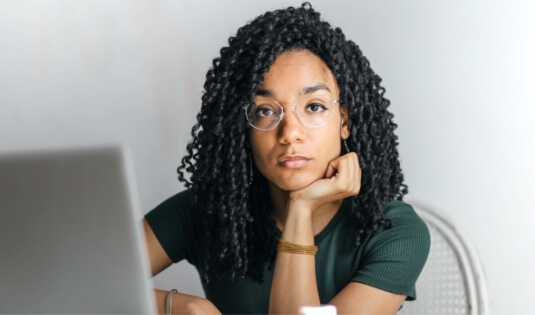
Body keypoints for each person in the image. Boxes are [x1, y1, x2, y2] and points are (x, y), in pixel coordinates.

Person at [144, 3, 430, 314]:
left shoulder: (393, 230)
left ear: (344, 122)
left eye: (314, 106)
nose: (290, 133)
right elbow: (86, 281)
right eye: (265, 111)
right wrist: (180, 306)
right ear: (245, 129)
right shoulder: (211, 209)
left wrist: (301, 207)